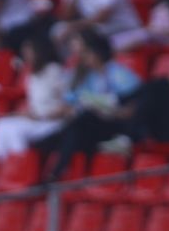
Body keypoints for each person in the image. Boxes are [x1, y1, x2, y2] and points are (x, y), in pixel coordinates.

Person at [34, 30, 142, 182]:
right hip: (92, 127)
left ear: (98, 53)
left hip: (119, 127)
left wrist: (110, 110)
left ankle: (55, 171)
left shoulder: (119, 74)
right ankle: (54, 170)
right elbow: (75, 101)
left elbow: (134, 108)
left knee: (80, 124)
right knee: (77, 128)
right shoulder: (90, 77)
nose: (84, 58)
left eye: (88, 53)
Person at [0, 33, 72, 162]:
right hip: (37, 119)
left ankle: (21, 165)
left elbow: (66, 105)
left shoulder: (54, 70)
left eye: (29, 52)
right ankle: (5, 166)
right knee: (0, 124)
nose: (26, 56)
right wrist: (14, 114)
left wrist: (42, 116)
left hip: (52, 122)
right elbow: (35, 107)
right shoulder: (32, 75)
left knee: (16, 131)